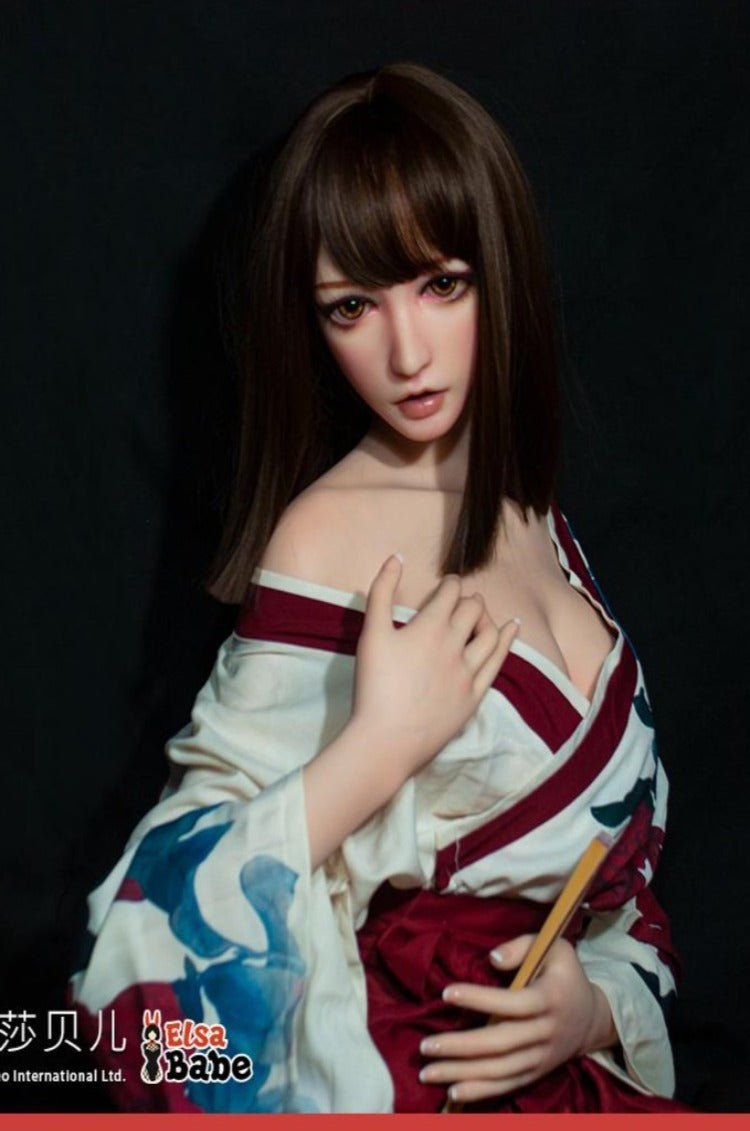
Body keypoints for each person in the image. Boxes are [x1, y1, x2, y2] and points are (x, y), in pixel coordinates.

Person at [69, 62, 684, 1113]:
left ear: (502, 272)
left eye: (442, 284)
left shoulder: (539, 518)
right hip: (405, 1085)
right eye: (353, 305)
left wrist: (593, 1010)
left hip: (566, 1083)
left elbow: (612, 880)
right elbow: (143, 940)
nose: (406, 353)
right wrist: (379, 748)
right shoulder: (329, 538)